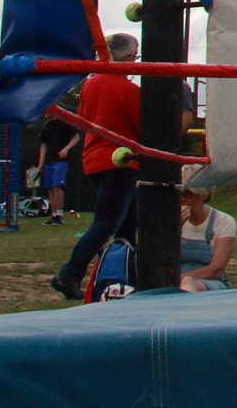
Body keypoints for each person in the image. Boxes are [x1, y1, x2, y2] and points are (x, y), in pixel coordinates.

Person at [49, 33, 142, 300]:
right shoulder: (128, 90)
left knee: (127, 222)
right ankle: (69, 274)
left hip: (93, 161)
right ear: (125, 58)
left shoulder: (91, 84)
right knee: (105, 223)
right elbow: (142, 127)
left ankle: (128, 275)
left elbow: (84, 119)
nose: (136, 62)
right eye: (134, 58)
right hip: (119, 162)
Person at [178, 178, 236, 292]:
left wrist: (178, 279)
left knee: (188, 283)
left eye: (187, 194)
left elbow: (216, 270)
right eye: (179, 193)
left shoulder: (223, 221)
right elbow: (161, 257)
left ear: (204, 195)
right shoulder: (171, 219)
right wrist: (175, 228)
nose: (182, 199)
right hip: (175, 279)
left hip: (210, 281)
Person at [36, 114, 79, 227]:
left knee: (57, 185)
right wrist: (41, 162)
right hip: (49, 161)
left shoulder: (64, 122)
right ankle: (54, 215)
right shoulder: (47, 125)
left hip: (60, 160)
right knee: (50, 188)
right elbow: (43, 144)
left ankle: (59, 215)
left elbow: (76, 137)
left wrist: (66, 149)